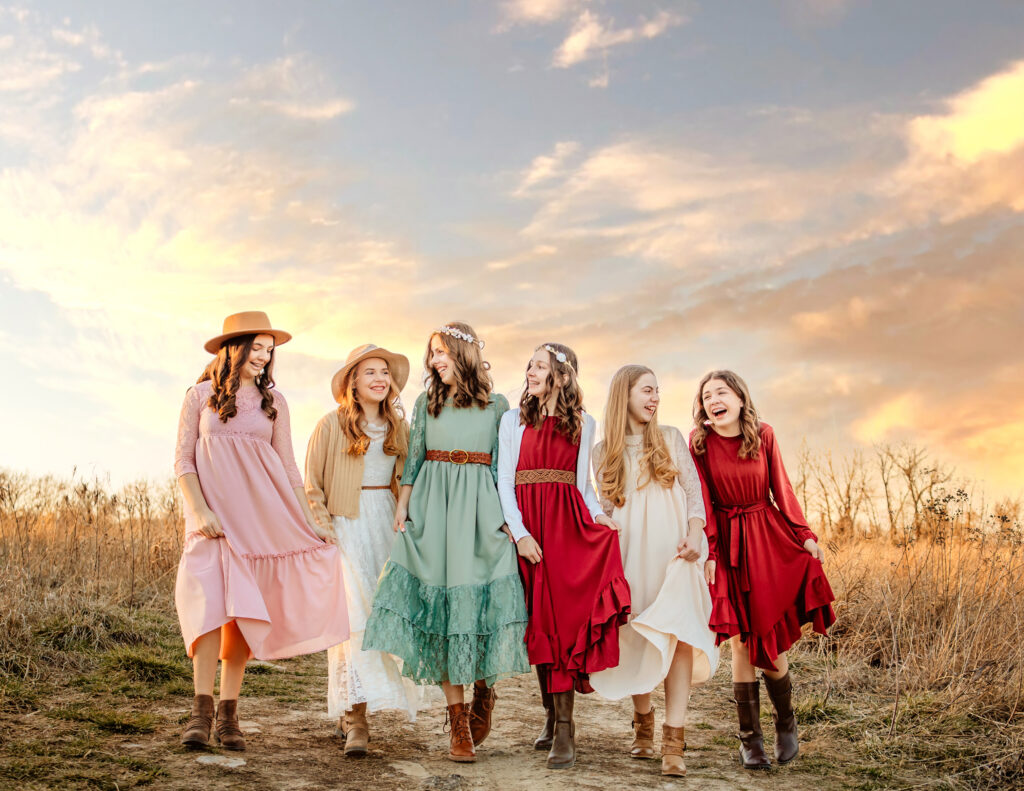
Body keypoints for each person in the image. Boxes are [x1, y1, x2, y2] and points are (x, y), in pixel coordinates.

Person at [174, 311, 348, 752]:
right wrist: (199, 510)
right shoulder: (199, 396)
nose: (265, 357)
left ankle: (229, 716)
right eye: (258, 347)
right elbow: (183, 462)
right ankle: (201, 711)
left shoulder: (276, 403)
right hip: (211, 520)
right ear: (236, 346)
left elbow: (288, 467)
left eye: (270, 351)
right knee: (209, 610)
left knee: (241, 619)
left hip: (260, 521)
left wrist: (310, 523)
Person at [363, 322, 530, 763]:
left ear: (464, 353)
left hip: (480, 512)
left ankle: (483, 690)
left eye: (443, 352)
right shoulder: (426, 402)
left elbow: (503, 468)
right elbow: (414, 460)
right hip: (434, 510)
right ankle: (458, 722)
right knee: (438, 611)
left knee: (483, 605)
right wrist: (403, 505)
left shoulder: (498, 406)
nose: (436, 360)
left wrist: (507, 522)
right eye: (432, 353)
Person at [689, 369, 836, 770]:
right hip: (727, 545)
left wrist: (803, 534)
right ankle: (750, 740)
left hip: (765, 538)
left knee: (768, 640)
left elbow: (781, 489)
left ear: (739, 398)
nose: (713, 399)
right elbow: (703, 503)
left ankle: (785, 724)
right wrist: (711, 554)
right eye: (706, 396)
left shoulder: (764, 434)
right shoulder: (698, 443)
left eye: (721, 392)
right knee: (740, 642)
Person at [497, 343, 630, 770]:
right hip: (529, 527)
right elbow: (504, 480)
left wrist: (599, 518)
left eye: (539, 365)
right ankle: (551, 716)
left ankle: (566, 730)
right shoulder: (512, 420)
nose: (530, 371)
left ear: (563, 375)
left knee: (560, 621)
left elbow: (583, 485)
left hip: (566, 525)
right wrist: (519, 534)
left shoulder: (584, 424)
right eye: (529, 364)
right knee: (538, 620)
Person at [590, 365, 719, 777]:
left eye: (657, 391)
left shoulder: (670, 439)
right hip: (631, 556)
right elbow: (606, 511)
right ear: (623, 394)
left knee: (678, 637)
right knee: (639, 637)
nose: (655, 398)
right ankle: (642, 722)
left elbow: (694, 497)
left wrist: (697, 536)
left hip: (676, 555)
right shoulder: (601, 452)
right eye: (647, 390)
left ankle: (673, 742)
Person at [305, 343, 423, 757]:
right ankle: (355, 717)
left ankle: (372, 700)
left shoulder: (398, 428)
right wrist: (324, 529)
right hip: (346, 527)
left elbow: (411, 479)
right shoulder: (331, 426)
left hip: (387, 524)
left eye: (385, 372)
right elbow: (312, 486)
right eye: (370, 371)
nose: (379, 378)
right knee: (352, 621)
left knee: (385, 615)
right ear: (353, 381)